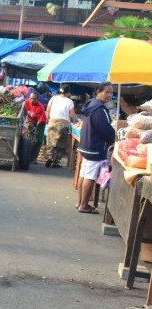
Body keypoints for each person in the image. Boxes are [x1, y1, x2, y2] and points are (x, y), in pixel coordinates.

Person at [76, 83, 115, 214]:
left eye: (111, 93)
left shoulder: (91, 104)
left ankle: (80, 202)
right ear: (98, 91)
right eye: (107, 92)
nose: (110, 95)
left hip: (86, 145)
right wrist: (113, 137)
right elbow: (104, 130)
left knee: (84, 173)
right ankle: (84, 205)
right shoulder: (99, 109)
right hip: (95, 147)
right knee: (90, 176)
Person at [44, 84, 76, 168]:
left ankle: (50, 157)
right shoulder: (70, 101)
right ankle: (55, 162)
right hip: (63, 124)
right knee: (61, 144)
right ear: (68, 92)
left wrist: (48, 120)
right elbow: (72, 116)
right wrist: (75, 122)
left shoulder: (53, 98)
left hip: (52, 121)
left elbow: (47, 111)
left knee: (50, 141)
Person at [23, 90, 48, 162]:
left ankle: (33, 158)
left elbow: (40, 121)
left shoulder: (40, 107)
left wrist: (35, 130)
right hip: (30, 122)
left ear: (37, 99)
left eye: (34, 99)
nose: (32, 100)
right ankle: (27, 156)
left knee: (38, 141)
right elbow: (24, 113)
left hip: (40, 124)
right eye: (31, 98)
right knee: (28, 139)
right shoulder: (26, 102)